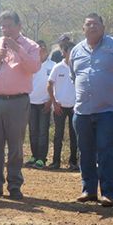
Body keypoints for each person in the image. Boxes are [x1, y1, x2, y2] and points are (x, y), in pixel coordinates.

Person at [70, 13, 113, 207]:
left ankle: (108, 193)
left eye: (95, 24)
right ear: (83, 28)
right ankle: (88, 190)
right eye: (88, 24)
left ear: (103, 27)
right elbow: (75, 77)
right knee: (85, 152)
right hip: (82, 111)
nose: (92, 27)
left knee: (106, 151)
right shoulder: (76, 51)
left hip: (107, 110)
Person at [0, 11, 41, 200]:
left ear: (19, 26)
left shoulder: (30, 46)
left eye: (9, 25)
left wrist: (18, 49)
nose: (5, 29)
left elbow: (34, 67)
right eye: (2, 26)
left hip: (17, 101)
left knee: (15, 146)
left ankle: (14, 185)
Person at [47, 39, 77, 170]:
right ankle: (56, 161)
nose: (72, 53)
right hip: (59, 106)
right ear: (64, 52)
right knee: (58, 135)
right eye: (70, 51)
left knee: (74, 135)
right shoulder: (57, 67)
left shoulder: (78, 67)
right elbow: (49, 86)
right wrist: (54, 102)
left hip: (75, 107)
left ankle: (73, 162)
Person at [25, 40, 55, 169]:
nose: (41, 50)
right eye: (39, 48)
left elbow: (55, 85)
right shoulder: (31, 65)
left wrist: (50, 101)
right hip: (31, 102)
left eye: (44, 48)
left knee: (43, 132)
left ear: (47, 50)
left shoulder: (53, 65)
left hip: (45, 103)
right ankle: (34, 155)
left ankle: (42, 158)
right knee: (33, 131)